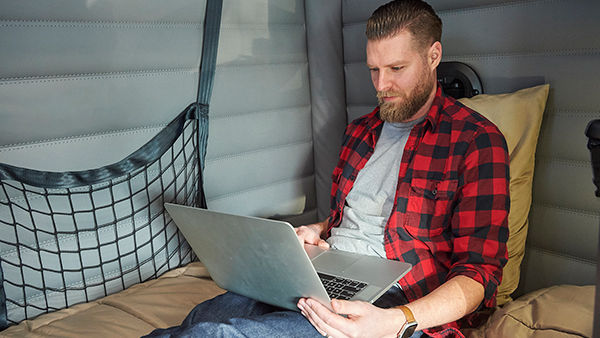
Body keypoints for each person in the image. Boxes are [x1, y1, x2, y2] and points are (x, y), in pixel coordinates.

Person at [145, 0, 509, 337]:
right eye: (374, 70)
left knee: (216, 335)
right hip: (321, 272)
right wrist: (314, 233)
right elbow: (348, 217)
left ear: (433, 56)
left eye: (397, 69)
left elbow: (479, 273)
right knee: (200, 319)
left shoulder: (476, 141)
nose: (382, 86)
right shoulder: (360, 132)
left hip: (395, 299)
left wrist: (395, 321)